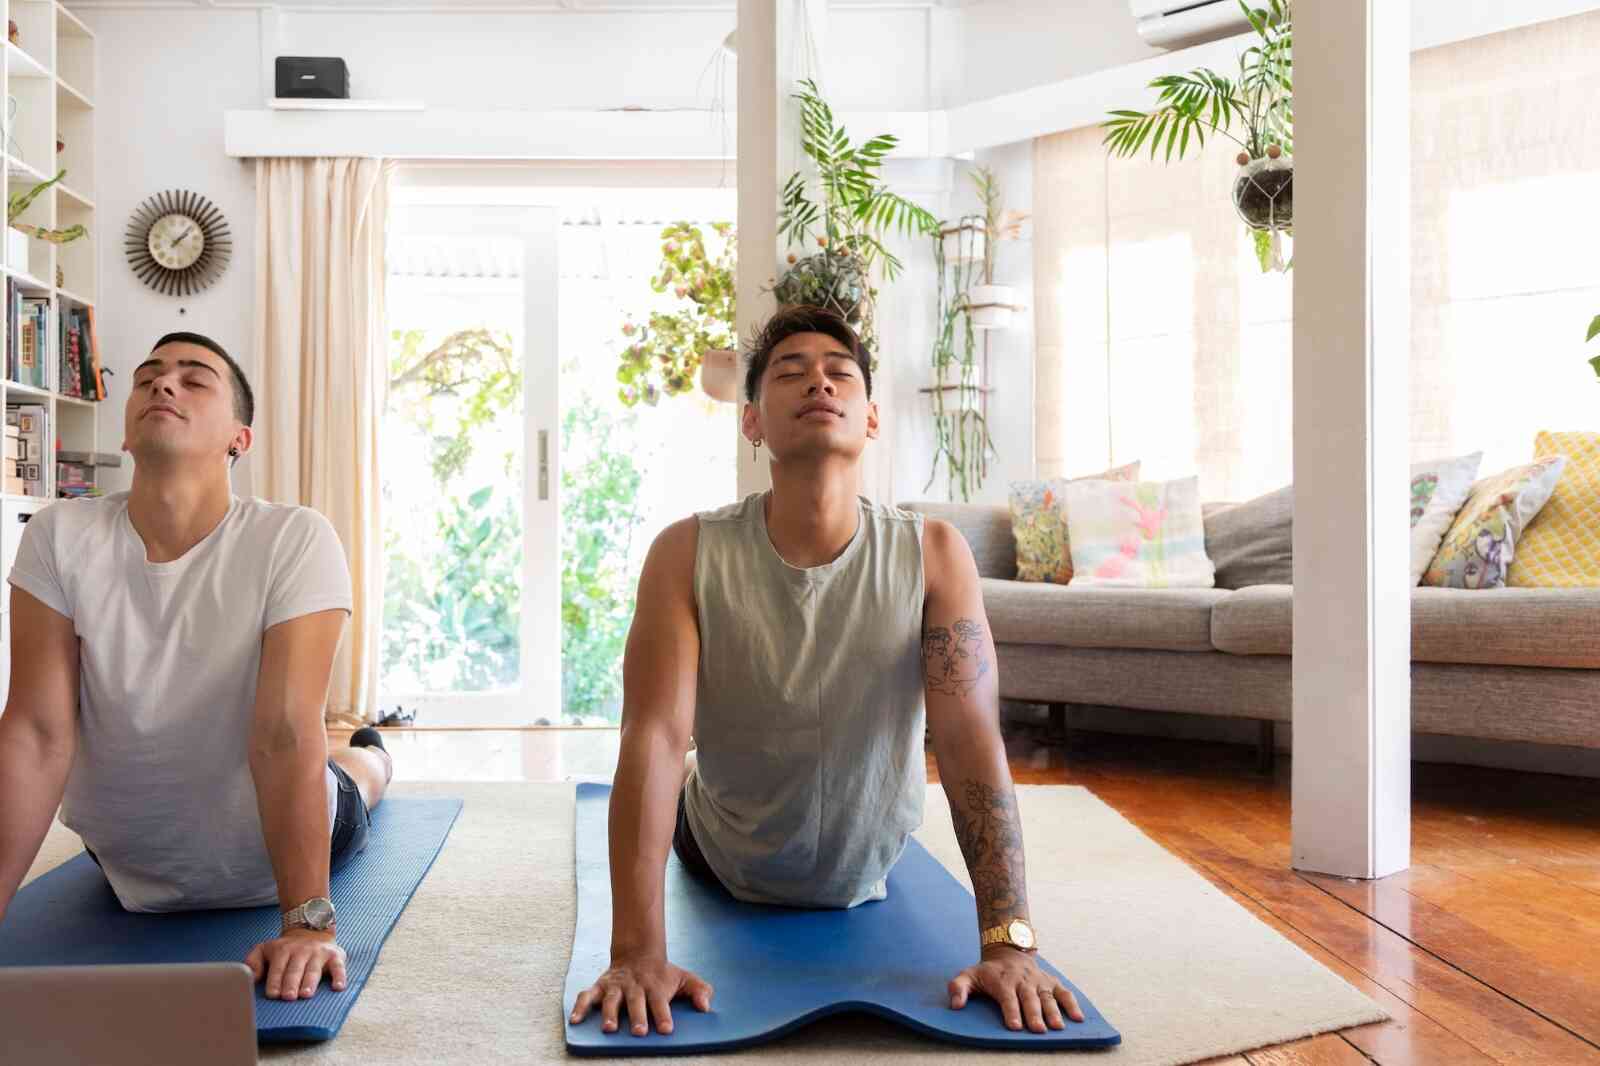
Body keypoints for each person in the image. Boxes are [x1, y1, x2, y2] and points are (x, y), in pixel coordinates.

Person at [570, 306, 1085, 1039]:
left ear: (870, 418)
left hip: (866, 869)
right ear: (751, 422)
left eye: (840, 372)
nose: (819, 380)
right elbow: (655, 734)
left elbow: (971, 739)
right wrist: (636, 952)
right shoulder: (684, 552)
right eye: (791, 371)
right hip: (720, 849)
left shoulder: (935, 554)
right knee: (680, 777)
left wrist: (1009, 941)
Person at [0, 331, 391, 1003]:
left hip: (277, 853)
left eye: (194, 377)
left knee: (357, 776)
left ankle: (375, 754)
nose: (163, 383)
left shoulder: (293, 537)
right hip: (129, 864)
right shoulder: (58, 536)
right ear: (125, 433)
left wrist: (306, 925)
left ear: (239, 438)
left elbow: (284, 733)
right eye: (148, 375)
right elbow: (35, 732)